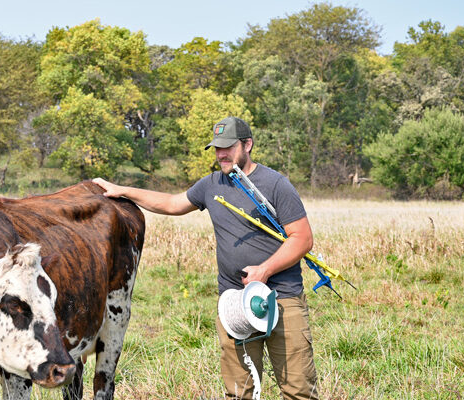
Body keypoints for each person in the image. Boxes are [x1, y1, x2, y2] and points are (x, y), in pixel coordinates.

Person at [93, 116, 319, 400]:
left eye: (228, 147)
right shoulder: (211, 184)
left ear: (247, 144)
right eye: (216, 148)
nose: (221, 154)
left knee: (298, 391)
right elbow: (173, 203)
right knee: (239, 392)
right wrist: (123, 191)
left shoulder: (275, 184)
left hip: (282, 299)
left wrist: (264, 270)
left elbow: (303, 238)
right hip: (235, 302)